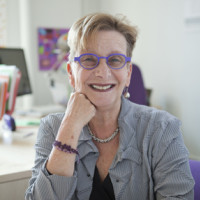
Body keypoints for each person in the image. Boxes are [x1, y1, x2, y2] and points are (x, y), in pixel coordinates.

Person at [25, 13, 194, 200]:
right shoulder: (52, 128)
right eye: (89, 59)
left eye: (115, 60)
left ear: (128, 73)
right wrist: (70, 126)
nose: (102, 72)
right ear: (71, 72)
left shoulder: (162, 129)